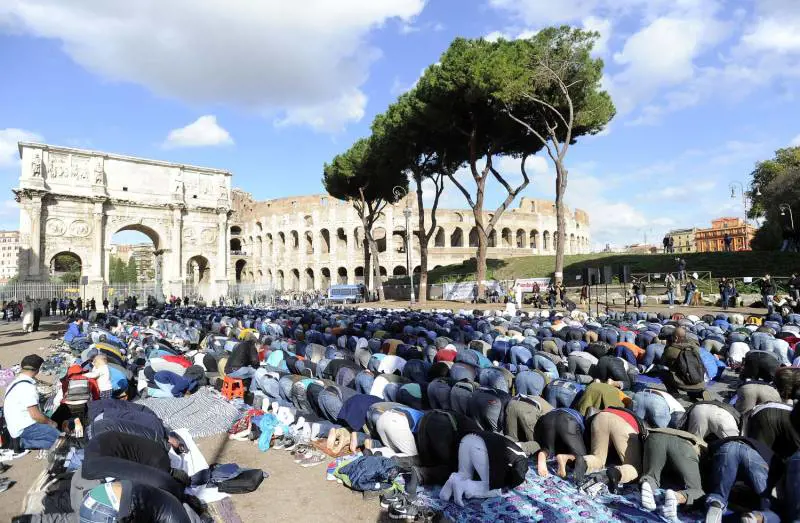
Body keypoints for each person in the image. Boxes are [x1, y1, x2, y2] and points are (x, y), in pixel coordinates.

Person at [3, 354, 61, 449]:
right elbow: (35, 415)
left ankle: (21, 441)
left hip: (15, 427)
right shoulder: (27, 387)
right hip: (24, 428)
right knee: (62, 441)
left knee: (53, 439)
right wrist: (51, 423)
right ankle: (22, 443)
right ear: (38, 370)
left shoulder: (15, 382)